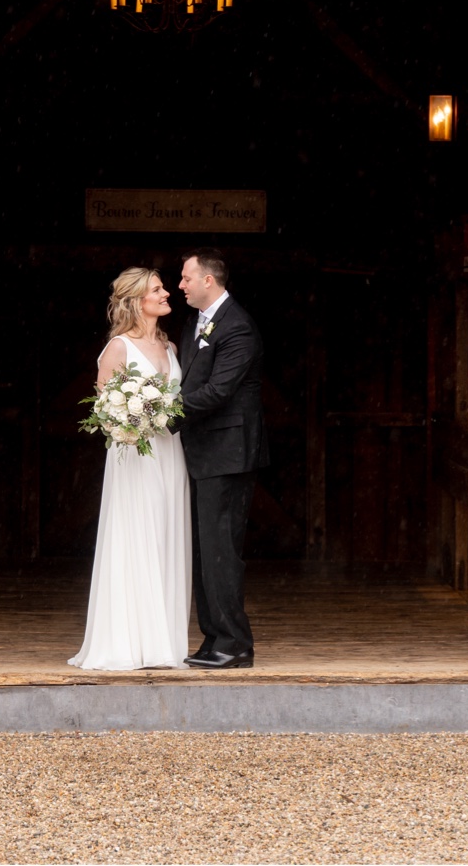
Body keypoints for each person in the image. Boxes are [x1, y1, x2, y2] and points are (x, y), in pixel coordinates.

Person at [69, 267, 193, 671]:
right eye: (157, 289)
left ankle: (162, 643)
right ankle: (127, 641)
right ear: (138, 300)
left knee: (165, 534)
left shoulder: (171, 347)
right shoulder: (118, 348)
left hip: (169, 452)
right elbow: (106, 408)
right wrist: (133, 420)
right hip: (135, 456)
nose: (167, 293)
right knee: (136, 537)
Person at [175, 248, 266, 668]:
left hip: (228, 455)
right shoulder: (197, 321)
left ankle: (235, 643)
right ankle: (213, 637)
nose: (181, 286)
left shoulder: (238, 327)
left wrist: (163, 413)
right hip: (203, 453)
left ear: (207, 280)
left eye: (186, 278)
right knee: (204, 550)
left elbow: (218, 391)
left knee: (221, 552)